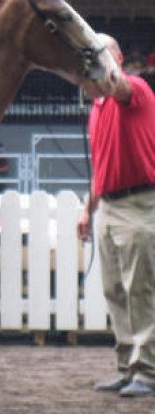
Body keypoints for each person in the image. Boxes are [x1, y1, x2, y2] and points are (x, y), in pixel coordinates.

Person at [77, 33, 155, 398]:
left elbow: (116, 84)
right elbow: (103, 167)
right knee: (115, 291)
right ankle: (128, 367)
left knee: (139, 290)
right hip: (110, 204)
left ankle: (148, 372)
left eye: (102, 54)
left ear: (118, 57)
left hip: (139, 204)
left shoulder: (135, 89)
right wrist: (87, 209)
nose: (95, 62)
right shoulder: (98, 109)